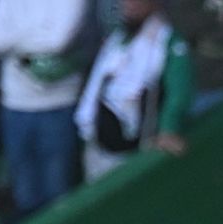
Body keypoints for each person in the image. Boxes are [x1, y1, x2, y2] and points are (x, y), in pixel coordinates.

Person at [0, 0, 94, 217]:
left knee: (58, 192)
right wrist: (38, 34)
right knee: (24, 194)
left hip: (58, 106)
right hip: (14, 106)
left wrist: (14, 40)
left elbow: (57, 41)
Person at [74, 0, 191, 181]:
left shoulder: (168, 41)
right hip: (100, 150)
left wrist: (168, 128)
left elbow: (178, 92)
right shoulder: (116, 40)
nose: (130, 4)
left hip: (137, 152)